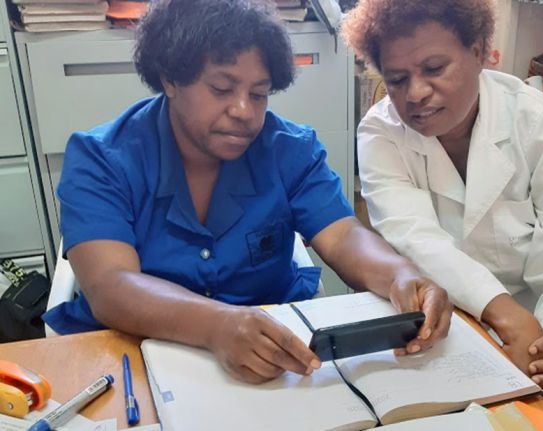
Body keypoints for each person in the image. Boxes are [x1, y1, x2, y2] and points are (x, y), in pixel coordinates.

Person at [43, 0, 452, 385]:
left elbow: (343, 236)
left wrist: (401, 275)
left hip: (274, 363)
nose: (243, 111)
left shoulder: (289, 149)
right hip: (138, 358)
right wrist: (216, 324)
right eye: (222, 89)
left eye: (258, 94)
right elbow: (111, 285)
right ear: (169, 78)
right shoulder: (100, 159)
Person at [341, 1, 543, 430]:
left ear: (481, 51)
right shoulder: (381, 133)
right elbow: (416, 238)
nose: (415, 93)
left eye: (434, 68)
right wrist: (505, 315)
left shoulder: (538, 123)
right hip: (454, 323)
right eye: (397, 79)